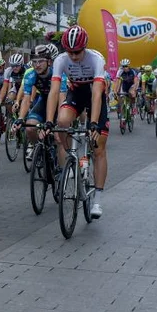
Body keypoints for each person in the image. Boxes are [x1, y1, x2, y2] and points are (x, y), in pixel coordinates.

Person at [44, 25, 108, 219]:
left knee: (98, 148)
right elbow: (54, 91)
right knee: (61, 122)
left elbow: (97, 94)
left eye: (77, 51)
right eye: (69, 51)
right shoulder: (60, 60)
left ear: (84, 48)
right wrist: (48, 121)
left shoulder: (96, 59)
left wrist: (94, 123)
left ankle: (97, 199)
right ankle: (71, 156)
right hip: (76, 93)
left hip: (94, 95)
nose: (73, 55)